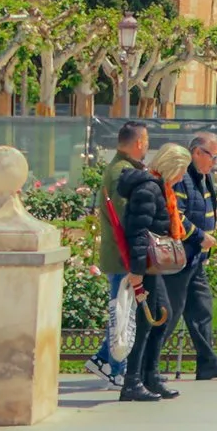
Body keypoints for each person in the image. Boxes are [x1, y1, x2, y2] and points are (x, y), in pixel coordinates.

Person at [116, 145, 188, 403]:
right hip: (145, 265)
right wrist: (136, 272)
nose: (182, 176)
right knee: (148, 321)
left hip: (151, 264)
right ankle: (132, 382)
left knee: (161, 317)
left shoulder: (159, 188)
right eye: (181, 170)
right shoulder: (149, 189)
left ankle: (150, 376)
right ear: (171, 166)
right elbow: (137, 232)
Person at [88, 119, 149, 380]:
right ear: (139, 143)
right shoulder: (121, 173)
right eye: (146, 141)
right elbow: (127, 219)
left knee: (123, 312)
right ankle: (116, 370)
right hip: (122, 254)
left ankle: (102, 360)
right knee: (121, 315)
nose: (147, 146)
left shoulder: (121, 168)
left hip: (120, 252)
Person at [174, 132, 217, 382]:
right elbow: (176, 215)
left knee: (202, 309)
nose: (215, 162)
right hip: (181, 256)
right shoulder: (182, 177)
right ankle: (144, 369)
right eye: (213, 156)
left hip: (196, 257)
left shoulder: (202, 176)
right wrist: (199, 236)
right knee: (170, 314)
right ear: (197, 153)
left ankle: (207, 364)